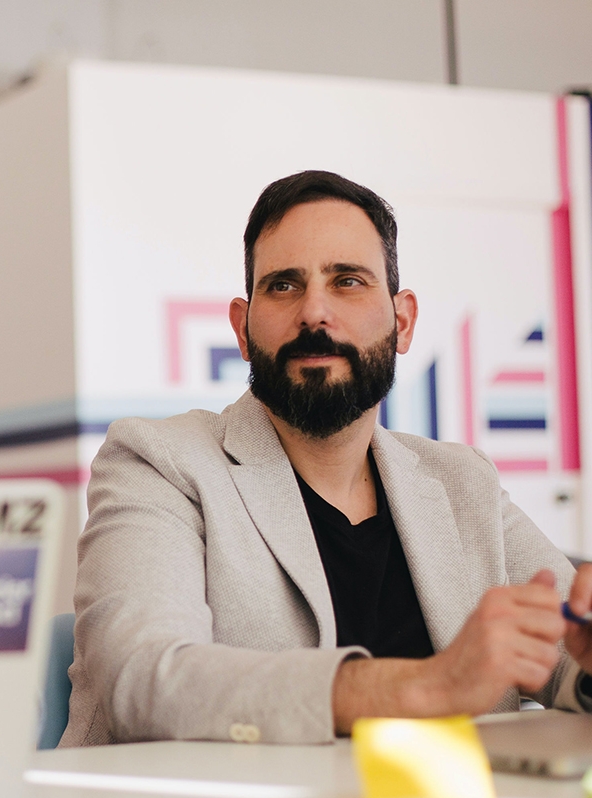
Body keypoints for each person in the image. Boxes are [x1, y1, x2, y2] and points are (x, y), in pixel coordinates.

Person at [61, 170, 592, 748]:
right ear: (242, 330)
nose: (314, 313)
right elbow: (144, 682)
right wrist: (424, 687)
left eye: (348, 281)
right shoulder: (160, 463)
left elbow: (569, 657)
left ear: (403, 320)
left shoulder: (462, 482)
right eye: (283, 286)